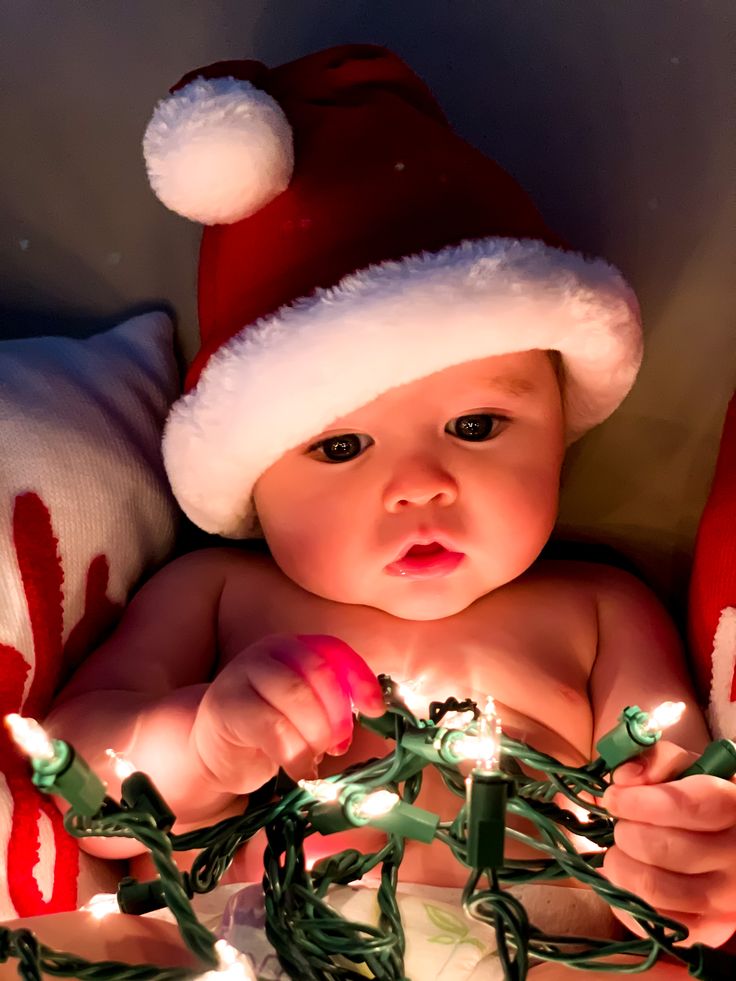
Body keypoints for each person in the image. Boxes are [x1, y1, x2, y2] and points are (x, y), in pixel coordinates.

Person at [35, 44, 736, 976]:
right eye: (339, 446)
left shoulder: (601, 612)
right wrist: (202, 740)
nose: (419, 484)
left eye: (476, 423)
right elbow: (86, 788)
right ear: (250, 478)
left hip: (536, 947)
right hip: (258, 937)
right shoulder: (214, 595)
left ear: (560, 425)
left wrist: (691, 850)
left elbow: (682, 787)